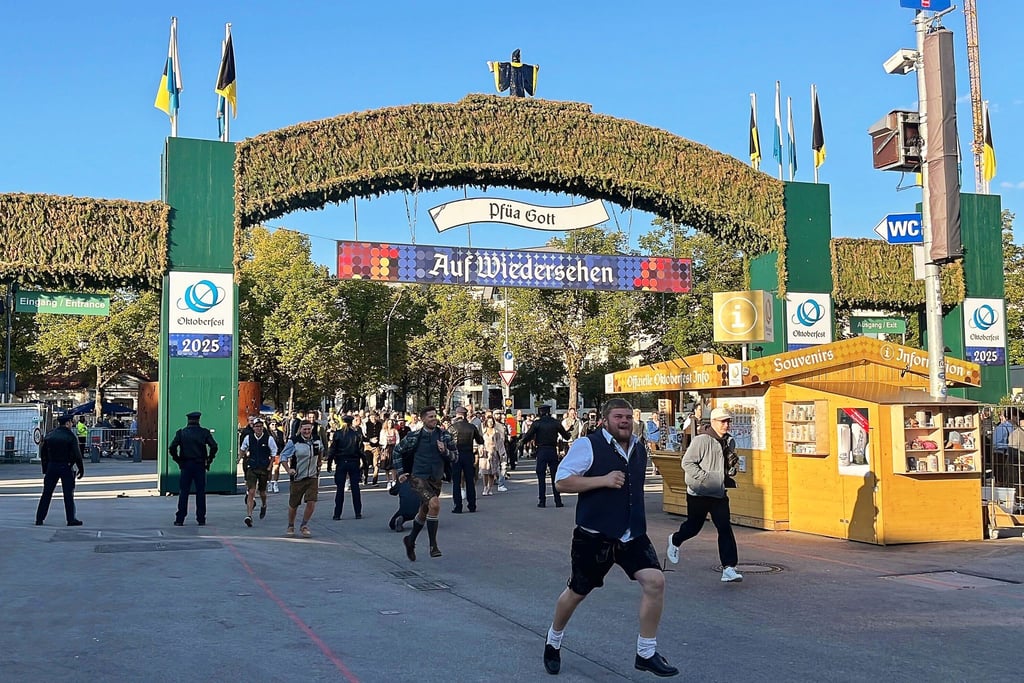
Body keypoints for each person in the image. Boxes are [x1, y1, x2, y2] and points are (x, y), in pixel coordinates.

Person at [543, 398, 678, 678]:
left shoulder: (639, 447)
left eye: (628, 416)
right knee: (577, 593)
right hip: (594, 536)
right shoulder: (588, 445)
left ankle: (646, 652)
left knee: (655, 581)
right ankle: (553, 641)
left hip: (631, 534)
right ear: (605, 420)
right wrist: (602, 480)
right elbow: (562, 481)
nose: (624, 421)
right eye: (618, 416)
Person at [666, 407, 743, 583]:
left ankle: (729, 568)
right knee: (693, 527)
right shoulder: (701, 440)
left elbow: (723, 465)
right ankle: (675, 540)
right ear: (713, 422)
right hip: (698, 492)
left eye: (728, 421)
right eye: (723, 421)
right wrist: (705, 478)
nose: (726, 424)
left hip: (718, 493)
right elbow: (687, 463)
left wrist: (730, 470)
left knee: (724, 528)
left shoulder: (729, 441)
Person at [393, 406, 457, 560]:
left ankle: (410, 540)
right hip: (418, 477)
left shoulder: (445, 436)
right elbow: (397, 451)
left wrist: (445, 451)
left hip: (436, 478)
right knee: (435, 504)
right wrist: (401, 472)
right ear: (423, 419)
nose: (434, 419)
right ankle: (433, 545)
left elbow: (456, 457)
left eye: (435, 416)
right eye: (430, 417)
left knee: (424, 511)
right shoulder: (414, 436)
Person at [169, 411, 219, 527]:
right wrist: (209, 459)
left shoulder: (181, 433)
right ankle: (201, 518)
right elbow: (214, 446)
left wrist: (178, 460)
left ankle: (180, 518)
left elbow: (172, 447)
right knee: (200, 492)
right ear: (198, 420)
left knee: (184, 492)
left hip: (186, 464)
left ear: (188, 420)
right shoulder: (204, 432)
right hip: (200, 464)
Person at [35, 414, 85, 526]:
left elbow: (43, 454)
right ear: (67, 423)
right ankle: (71, 519)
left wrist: (46, 468)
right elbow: (77, 454)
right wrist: (80, 468)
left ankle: (39, 518)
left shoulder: (50, 435)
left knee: (46, 493)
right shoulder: (70, 436)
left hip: (52, 466)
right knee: (68, 494)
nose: (72, 424)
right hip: (66, 466)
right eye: (71, 422)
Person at [520, 404, 571, 508]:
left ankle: (542, 501)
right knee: (554, 476)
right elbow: (566, 436)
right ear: (549, 412)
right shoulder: (555, 423)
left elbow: (528, 436)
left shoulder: (537, 423)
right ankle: (558, 501)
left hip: (541, 450)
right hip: (552, 450)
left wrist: (521, 442)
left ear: (540, 412)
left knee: (541, 476)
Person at [281, 420, 324, 537]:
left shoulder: (316, 439)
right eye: (304, 429)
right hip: (298, 477)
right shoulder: (294, 441)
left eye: (309, 429)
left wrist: (319, 461)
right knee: (294, 504)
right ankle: (291, 525)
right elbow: (283, 456)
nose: (307, 431)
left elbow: (321, 450)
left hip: (312, 476)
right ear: (300, 429)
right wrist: (288, 469)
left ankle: (304, 525)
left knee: (311, 501)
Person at [240, 418, 278, 527]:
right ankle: (249, 516)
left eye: (260, 426)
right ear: (253, 427)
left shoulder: (268, 439)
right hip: (252, 467)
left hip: (263, 468)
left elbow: (274, 452)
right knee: (251, 491)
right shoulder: (248, 438)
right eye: (256, 426)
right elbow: (243, 448)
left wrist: (270, 466)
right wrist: (240, 457)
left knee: (262, 492)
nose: (258, 428)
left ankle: (264, 504)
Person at [327, 415, 365, 520]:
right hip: (354, 462)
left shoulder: (338, 434)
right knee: (355, 488)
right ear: (351, 422)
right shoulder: (356, 434)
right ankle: (358, 512)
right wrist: (364, 464)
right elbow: (361, 451)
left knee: (340, 489)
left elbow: (332, 450)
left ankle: (337, 514)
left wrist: (329, 463)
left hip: (341, 462)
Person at [448, 406, 484, 513]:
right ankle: (472, 505)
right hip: (468, 455)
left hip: (456, 455)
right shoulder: (472, 427)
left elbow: (447, 441)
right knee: (470, 481)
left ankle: (458, 506)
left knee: (456, 482)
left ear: (457, 415)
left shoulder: (452, 427)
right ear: (465, 415)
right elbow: (480, 440)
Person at [479, 416, 504, 496]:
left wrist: (501, 454)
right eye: (489, 422)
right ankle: (485, 487)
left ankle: (490, 488)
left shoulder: (496, 432)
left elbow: (500, 443)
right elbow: (479, 441)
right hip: (485, 453)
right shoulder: (483, 431)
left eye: (492, 422)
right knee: (485, 471)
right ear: (486, 422)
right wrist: (480, 448)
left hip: (493, 453)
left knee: (492, 472)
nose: (491, 423)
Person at [267, 419, 286, 493]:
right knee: (269, 469)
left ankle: (275, 483)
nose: (274, 426)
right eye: (272, 424)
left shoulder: (280, 433)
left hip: (278, 453)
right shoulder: (267, 433)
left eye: (275, 424)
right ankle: (269, 482)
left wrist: (283, 452)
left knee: (276, 468)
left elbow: (283, 443)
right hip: (269, 454)